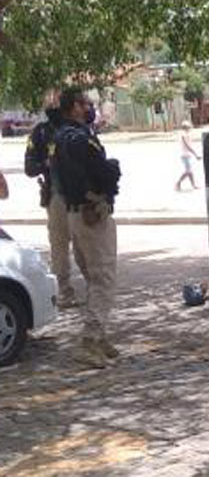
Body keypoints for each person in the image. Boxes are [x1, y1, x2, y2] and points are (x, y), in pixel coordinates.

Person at [54, 87, 121, 368]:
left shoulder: (58, 137)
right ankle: (90, 340)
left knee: (94, 276)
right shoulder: (81, 139)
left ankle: (100, 335)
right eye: (84, 103)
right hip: (91, 213)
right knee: (103, 277)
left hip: (73, 213)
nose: (89, 107)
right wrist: (113, 169)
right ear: (73, 107)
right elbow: (101, 171)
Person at [25, 103, 83, 308]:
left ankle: (95, 287)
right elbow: (29, 167)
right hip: (56, 195)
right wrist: (47, 164)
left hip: (80, 194)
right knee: (59, 245)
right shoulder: (40, 132)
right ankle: (65, 291)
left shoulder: (78, 129)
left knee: (84, 243)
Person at [175, 120, 200, 191]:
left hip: (186, 155)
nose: (190, 128)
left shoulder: (186, 134)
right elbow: (187, 146)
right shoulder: (184, 135)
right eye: (188, 127)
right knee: (187, 171)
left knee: (190, 172)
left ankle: (193, 185)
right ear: (185, 127)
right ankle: (178, 183)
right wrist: (195, 154)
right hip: (184, 155)